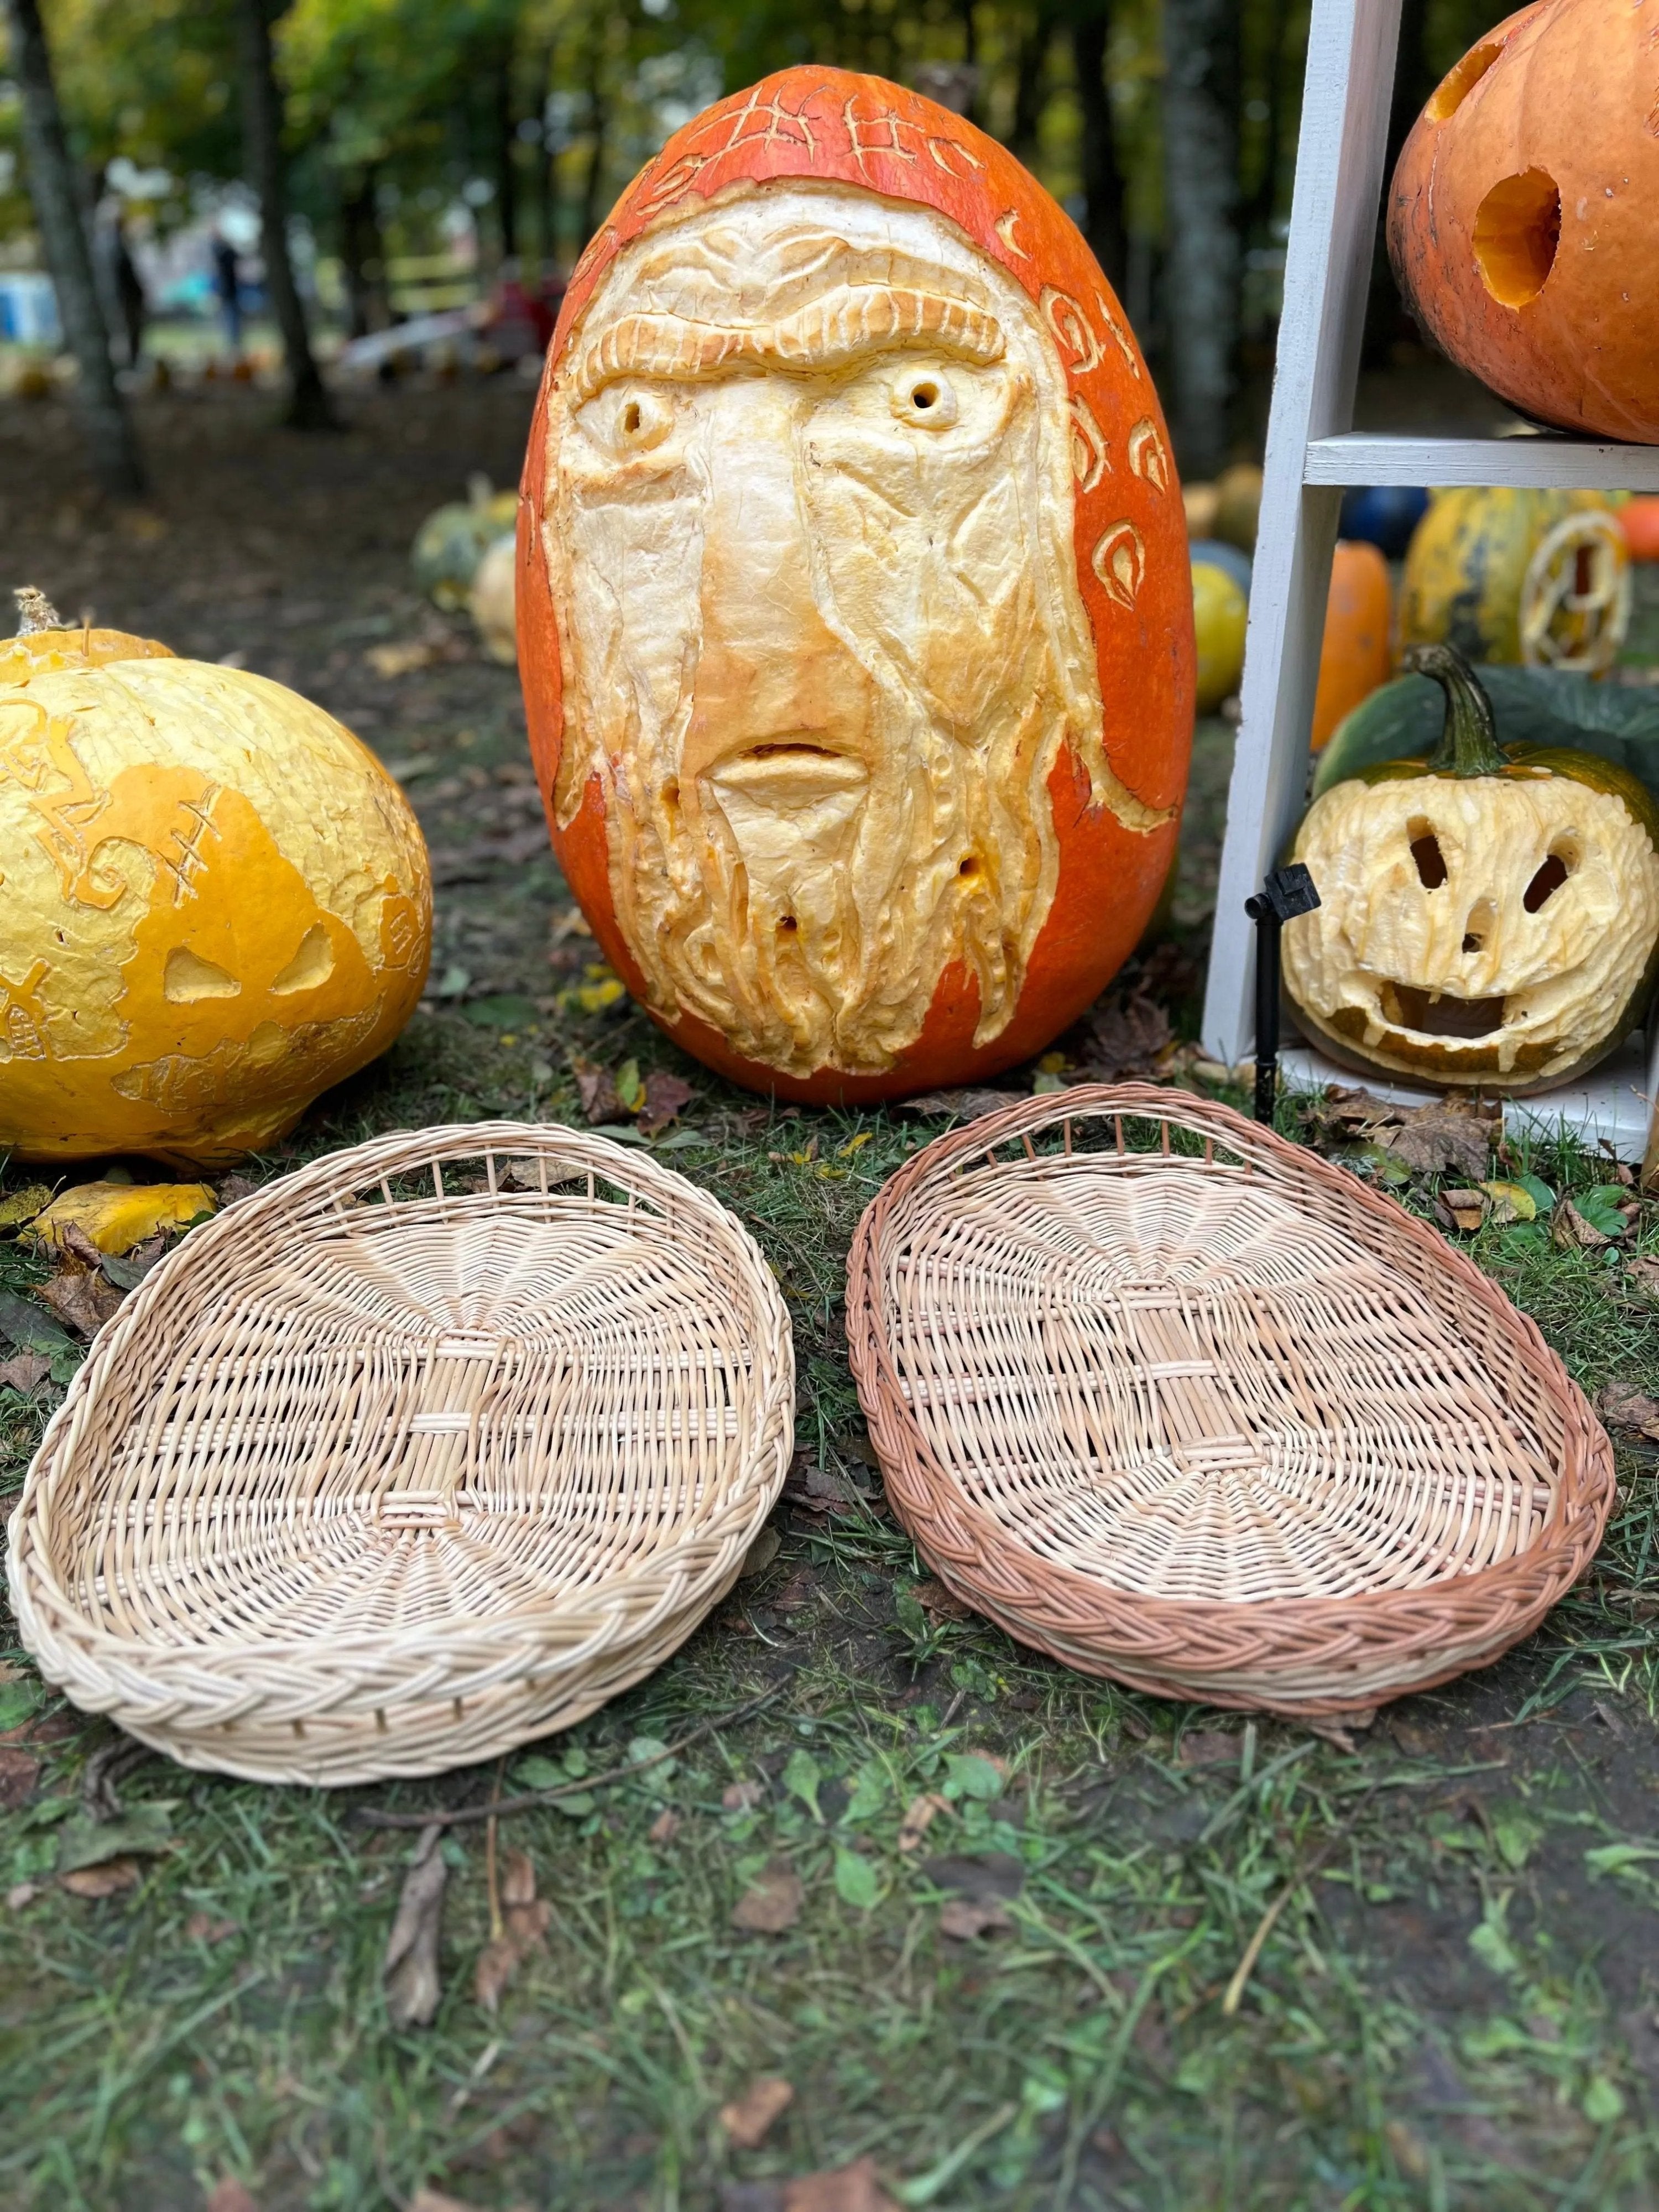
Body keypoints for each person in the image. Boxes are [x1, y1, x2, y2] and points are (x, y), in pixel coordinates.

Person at [212, 232, 242, 356]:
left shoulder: (224, 254)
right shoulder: (224, 253)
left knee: (231, 318)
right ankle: (232, 343)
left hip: (229, 291)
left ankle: (233, 343)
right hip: (228, 291)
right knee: (230, 318)